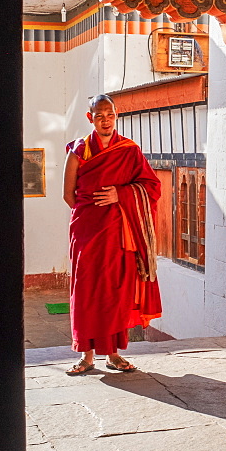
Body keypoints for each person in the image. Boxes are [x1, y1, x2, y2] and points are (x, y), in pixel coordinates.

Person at [63, 94, 162, 375]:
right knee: (86, 291)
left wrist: (120, 194)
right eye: (99, 116)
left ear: (116, 115)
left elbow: (151, 186)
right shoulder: (79, 150)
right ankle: (87, 355)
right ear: (89, 118)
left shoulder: (129, 150)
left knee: (116, 291)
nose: (105, 120)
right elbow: (68, 195)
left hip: (119, 233)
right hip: (87, 233)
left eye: (109, 115)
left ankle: (114, 354)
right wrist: (93, 217)